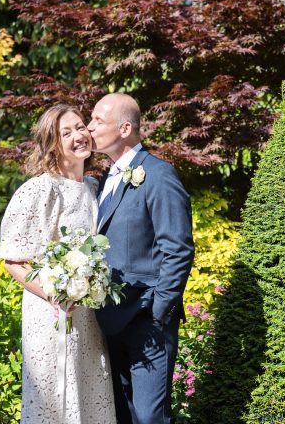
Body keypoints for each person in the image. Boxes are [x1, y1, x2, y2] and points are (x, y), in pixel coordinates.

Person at [0, 104, 116, 424]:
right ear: (52, 143)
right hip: (52, 314)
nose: (79, 136)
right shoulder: (39, 189)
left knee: (91, 389)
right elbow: (13, 260)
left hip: (90, 314)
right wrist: (54, 293)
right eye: (67, 132)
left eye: (81, 127)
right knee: (55, 396)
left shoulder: (95, 188)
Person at [88, 93, 195, 424]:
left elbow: (178, 248)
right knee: (122, 415)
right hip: (111, 321)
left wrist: (159, 313)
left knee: (150, 418)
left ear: (124, 129)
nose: (88, 128)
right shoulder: (104, 180)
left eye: (97, 121)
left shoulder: (159, 175)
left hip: (147, 320)